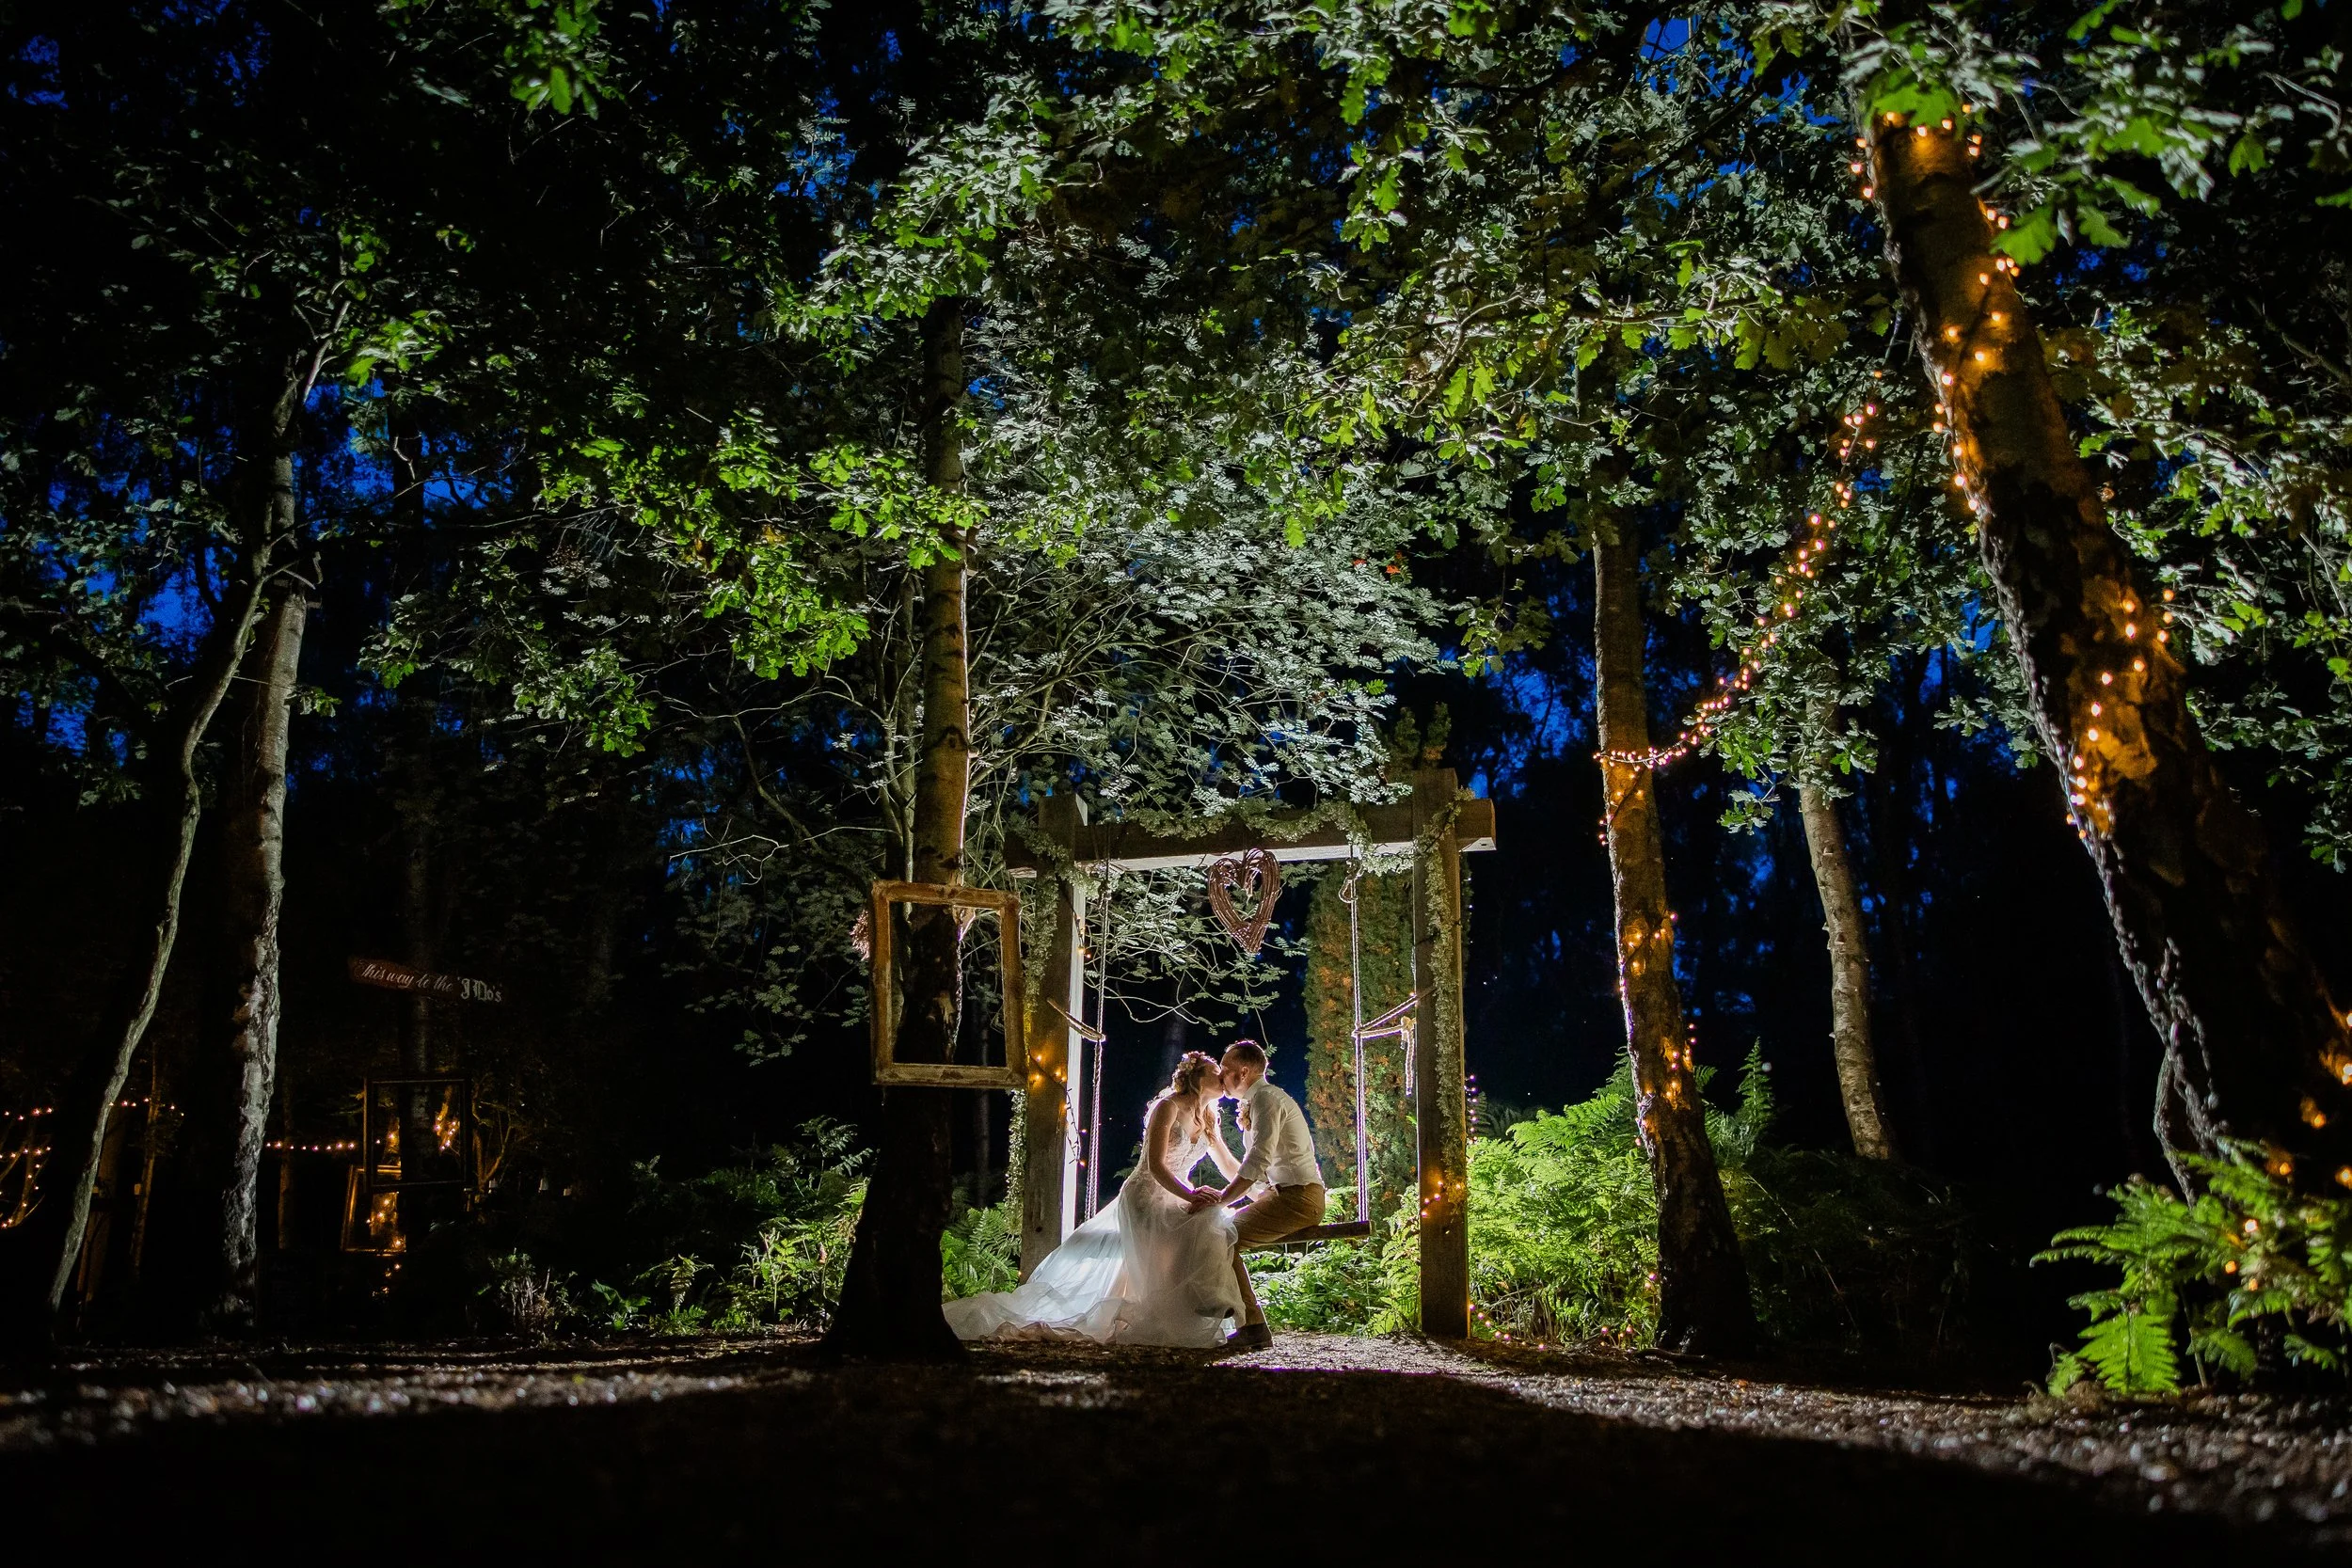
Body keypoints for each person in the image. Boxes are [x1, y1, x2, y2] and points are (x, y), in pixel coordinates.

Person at [943, 1051, 1246, 1346]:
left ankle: (1194, 1303)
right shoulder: (1167, 1107)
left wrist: (1260, 1187)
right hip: (1146, 1193)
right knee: (1203, 1219)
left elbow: (1230, 1164)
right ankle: (1203, 1299)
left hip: (1176, 1194)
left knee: (1211, 1218)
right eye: (1214, 1070)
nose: (1222, 1076)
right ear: (1195, 1077)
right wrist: (1192, 1194)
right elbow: (1155, 1166)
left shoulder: (1208, 1119)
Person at [1187, 1038, 1327, 1350]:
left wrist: (1222, 1199)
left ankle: (1249, 1323)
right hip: (1285, 1195)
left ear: (1244, 1071)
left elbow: (1258, 1161)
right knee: (1217, 1232)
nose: (1222, 1076)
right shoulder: (1259, 1100)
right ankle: (1233, 1311)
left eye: (1226, 1069)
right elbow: (1255, 1173)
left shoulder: (1266, 1098)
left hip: (1298, 1198)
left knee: (1223, 1236)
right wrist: (1215, 1144)